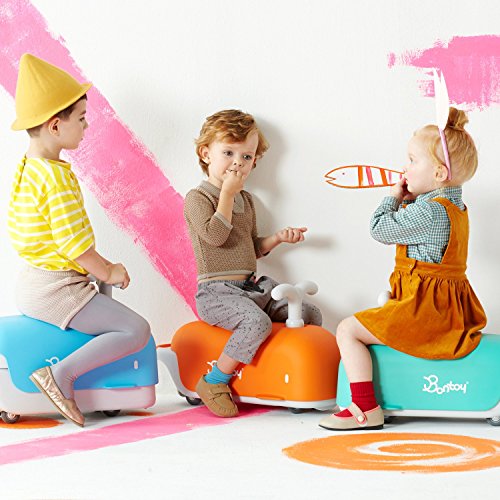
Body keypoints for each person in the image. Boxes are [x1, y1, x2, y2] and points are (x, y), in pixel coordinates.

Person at [319, 107, 487, 431]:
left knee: (347, 330)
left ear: (439, 173)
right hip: (445, 310)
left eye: (412, 160)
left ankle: (364, 407)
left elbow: (379, 229)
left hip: (424, 312)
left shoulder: (430, 213)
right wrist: (410, 199)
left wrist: (393, 198)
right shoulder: (455, 208)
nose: (405, 168)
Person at [8, 54, 151, 427]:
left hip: (37, 280)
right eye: (82, 118)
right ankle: (60, 376)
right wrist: (109, 271)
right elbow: (74, 245)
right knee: (136, 329)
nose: (87, 126)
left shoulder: (30, 168)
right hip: (57, 289)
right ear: (56, 126)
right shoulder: (55, 179)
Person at [184, 109, 322, 417]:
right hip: (217, 293)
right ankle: (214, 381)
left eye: (246, 157)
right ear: (206, 154)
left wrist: (278, 239)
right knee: (256, 323)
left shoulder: (246, 201)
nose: (237, 163)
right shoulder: (197, 198)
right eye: (228, 153)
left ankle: (282, 371)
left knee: (309, 313)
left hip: (252, 288)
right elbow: (215, 236)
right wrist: (227, 195)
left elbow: (252, 248)